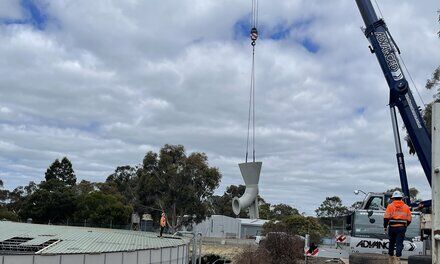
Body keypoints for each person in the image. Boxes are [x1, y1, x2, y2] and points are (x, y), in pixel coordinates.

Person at [384, 191, 412, 264]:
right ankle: (397, 260)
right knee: (399, 243)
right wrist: (405, 225)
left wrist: (385, 226)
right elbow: (409, 219)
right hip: (401, 228)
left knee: (391, 243)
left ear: (393, 198)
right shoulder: (406, 207)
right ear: (401, 198)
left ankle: (390, 260)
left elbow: (386, 218)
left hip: (392, 227)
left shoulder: (390, 206)